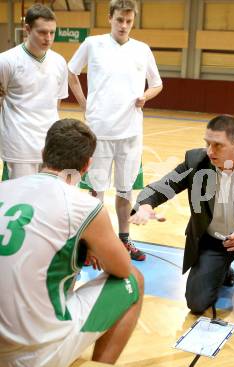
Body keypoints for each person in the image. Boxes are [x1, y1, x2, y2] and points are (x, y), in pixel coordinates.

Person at [0, 119, 144, 367]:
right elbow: (121, 268)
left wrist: (80, 247)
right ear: (87, 165)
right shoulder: (83, 205)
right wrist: (91, 245)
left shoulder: (5, 188)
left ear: (43, 154)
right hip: (30, 354)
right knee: (134, 279)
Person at [130, 115, 234, 317]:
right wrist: (145, 205)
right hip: (213, 241)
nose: (210, 151)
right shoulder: (196, 161)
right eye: (207, 143)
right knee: (196, 304)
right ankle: (224, 269)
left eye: (218, 145)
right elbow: (161, 187)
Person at [68, 0, 163, 261]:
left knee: (125, 191)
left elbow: (157, 84)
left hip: (131, 133)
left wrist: (146, 95)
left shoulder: (142, 50)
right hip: (99, 132)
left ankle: (124, 240)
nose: (123, 25)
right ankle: (90, 241)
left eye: (128, 21)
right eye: (119, 19)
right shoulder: (93, 44)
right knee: (95, 192)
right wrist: (85, 104)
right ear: (110, 17)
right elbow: (71, 73)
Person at [0, 4, 68, 179]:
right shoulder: (6, 61)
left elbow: (56, 103)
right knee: (18, 201)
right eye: (42, 32)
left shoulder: (59, 62)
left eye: (52, 32)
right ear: (27, 29)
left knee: (46, 200)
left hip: (50, 146)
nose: (48, 38)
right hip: (19, 147)